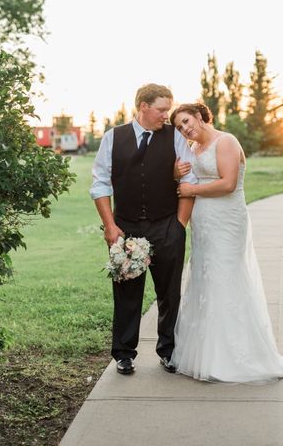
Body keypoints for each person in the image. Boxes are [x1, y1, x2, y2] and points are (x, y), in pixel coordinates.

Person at [170, 102, 283, 382]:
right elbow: (184, 181)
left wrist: (192, 188)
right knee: (206, 279)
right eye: (179, 127)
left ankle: (236, 355)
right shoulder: (192, 150)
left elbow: (228, 184)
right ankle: (206, 352)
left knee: (226, 277)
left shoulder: (225, 141)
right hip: (203, 222)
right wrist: (178, 176)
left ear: (201, 117)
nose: (185, 129)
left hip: (227, 220)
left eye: (187, 121)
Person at [90, 84, 197, 375]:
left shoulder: (175, 137)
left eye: (168, 109)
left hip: (166, 226)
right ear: (143, 106)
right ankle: (124, 354)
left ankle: (169, 350)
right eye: (162, 109)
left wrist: (179, 226)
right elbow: (100, 185)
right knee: (126, 293)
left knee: (169, 293)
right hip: (125, 228)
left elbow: (190, 181)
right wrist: (110, 226)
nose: (167, 115)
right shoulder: (113, 138)